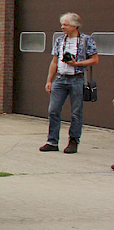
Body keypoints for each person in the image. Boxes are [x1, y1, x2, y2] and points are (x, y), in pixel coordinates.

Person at [40, 12, 98, 154]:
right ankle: (52, 141)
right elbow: (54, 61)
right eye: (62, 24)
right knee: (53, 110)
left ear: (74, 26)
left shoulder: (86, 40)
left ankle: (73, 140)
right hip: (60, 79)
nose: (63, 27)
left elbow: (95, 60)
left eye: (66, 24)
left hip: (77, 79)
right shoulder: (60, 40)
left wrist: (76, 63)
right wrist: (49, 80)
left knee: (76, 112)